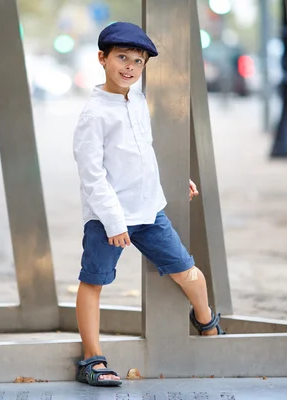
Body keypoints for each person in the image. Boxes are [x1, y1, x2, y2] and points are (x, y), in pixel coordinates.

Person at [73, 22, 225, 388]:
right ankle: (92, 359)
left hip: (149, 211)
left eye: (138, 61)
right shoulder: (94, 114)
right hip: (108, 219)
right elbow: (92, 176)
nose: (129, 67)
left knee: (188, 272)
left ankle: (208, 324)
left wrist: (171, 184)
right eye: (122, 58)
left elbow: (144, 154)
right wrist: (113, 222)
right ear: (102, 59)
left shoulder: (137, 100)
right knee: (93, 282)